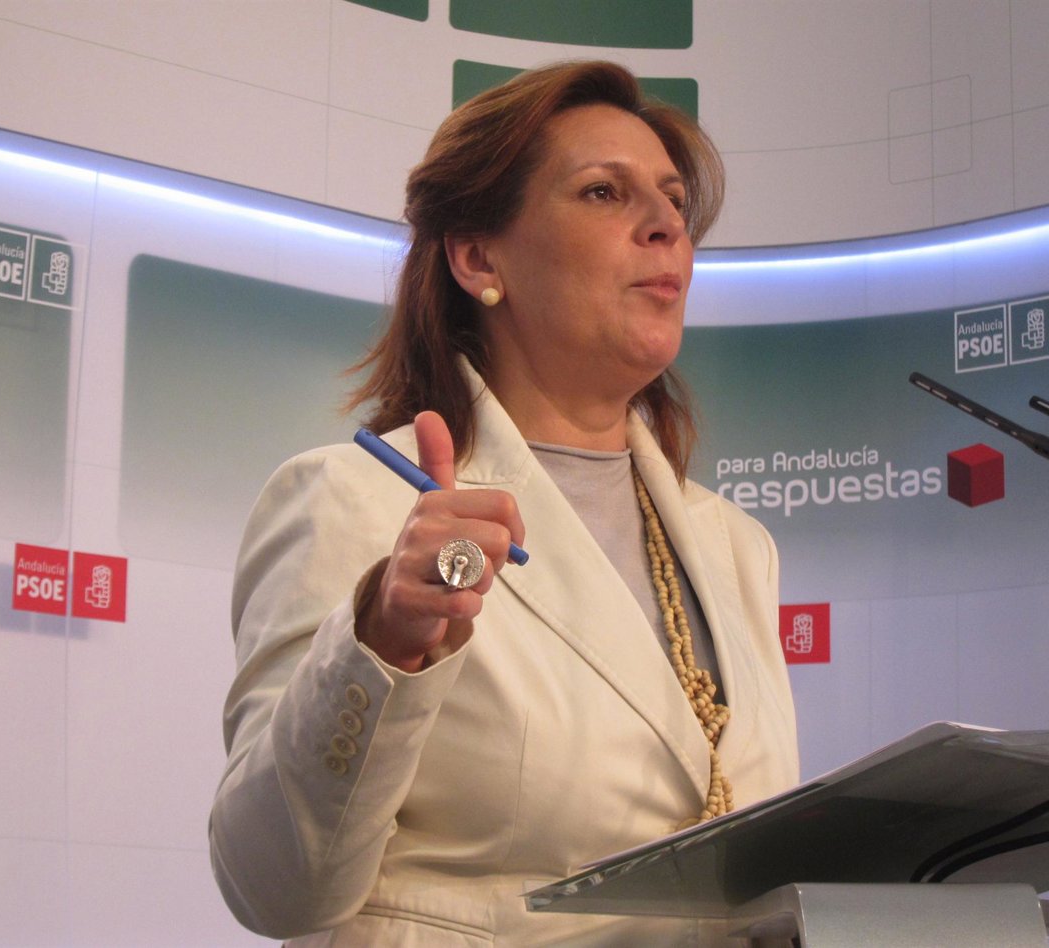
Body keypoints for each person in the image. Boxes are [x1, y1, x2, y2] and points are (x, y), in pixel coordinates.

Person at [209, 60, 799, 945]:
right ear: (479, 257)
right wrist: (381, 643)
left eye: (674, 201)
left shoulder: (739, 548)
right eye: (604, 192)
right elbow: (273, 888)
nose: (666, 225)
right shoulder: (352, 499)